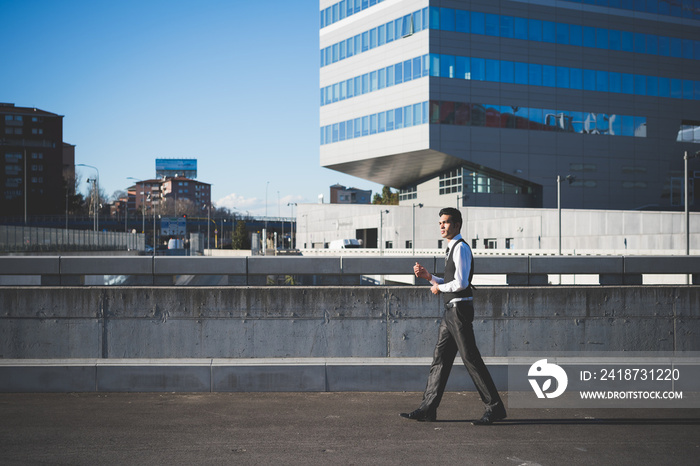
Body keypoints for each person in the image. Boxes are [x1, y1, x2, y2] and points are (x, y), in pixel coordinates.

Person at [400, 207, 506, 425]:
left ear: (457, 225)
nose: (442, 226)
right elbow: (450, 281)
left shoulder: (461, 248)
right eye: (440, 222)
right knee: (440, 359)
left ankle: (494, 408)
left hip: (459, 311)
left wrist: (439, 288)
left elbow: (461, 283)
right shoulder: (450, 248)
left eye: (446, 222)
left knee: (470, 359)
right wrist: (429, 277)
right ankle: (428, 409)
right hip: (450, 311)